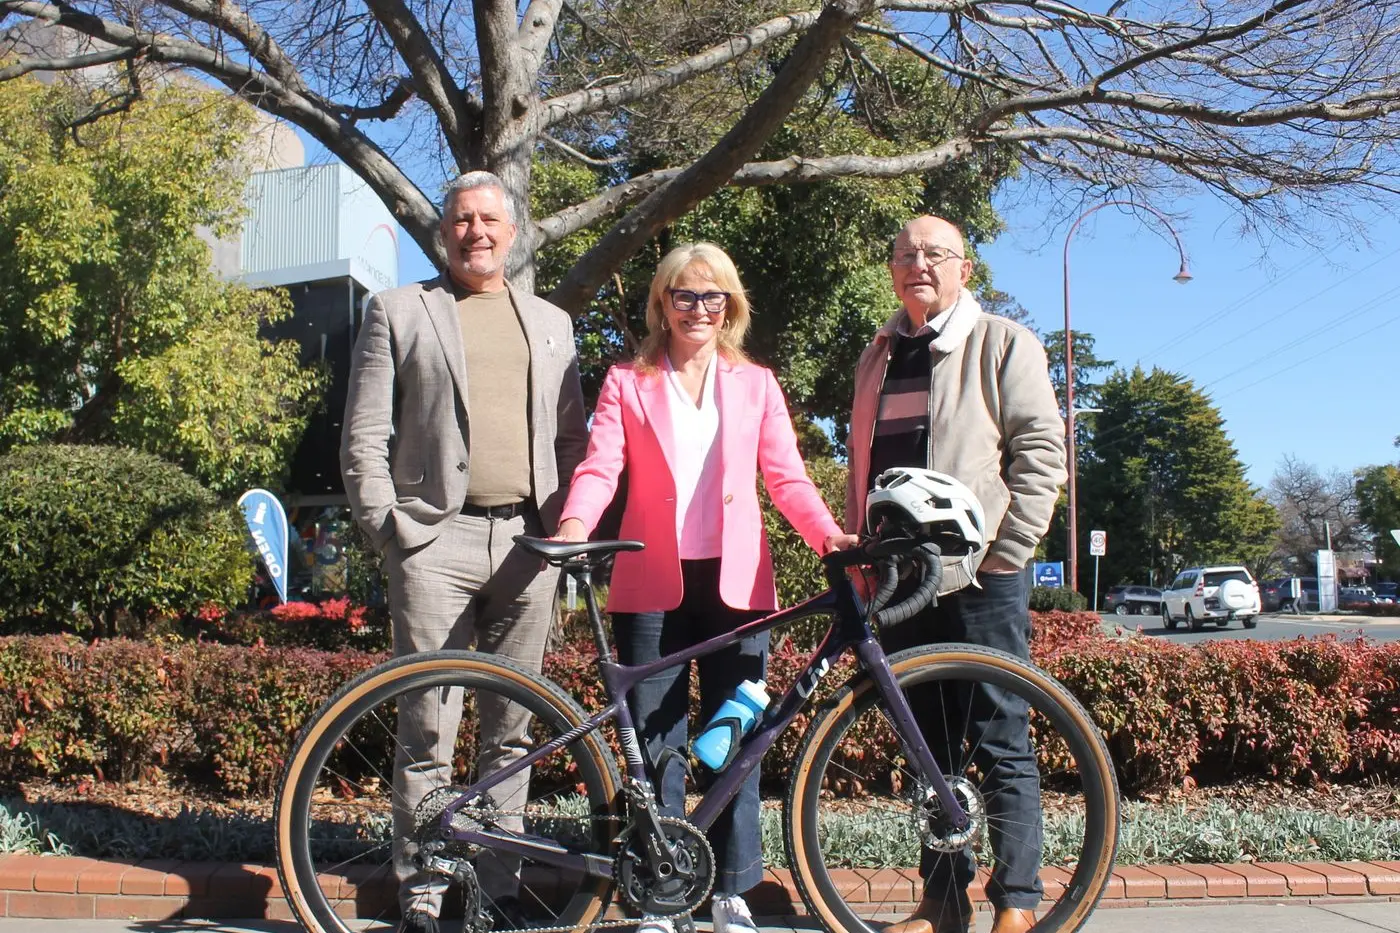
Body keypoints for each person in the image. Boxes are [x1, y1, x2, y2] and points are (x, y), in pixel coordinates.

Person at [555, 242, 858, 933]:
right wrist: (576, 522)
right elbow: (601, 466)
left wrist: (827, 535)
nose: (699, 308)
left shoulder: (755, 384)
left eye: (713, 296)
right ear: (663, 302)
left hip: (738, 581)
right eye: (685, 295)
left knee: (736, 736)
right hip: (648, 580)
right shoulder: (628, 381)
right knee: (657, 741)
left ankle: (729, 888)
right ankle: (660, 890)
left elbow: (786, 477)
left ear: (731, 306)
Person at [340, 171, 589, 933]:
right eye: (461, 219)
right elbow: (363, 436)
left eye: (489, 219)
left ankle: (499, 887)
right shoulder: (398, 310)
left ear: (512, 232)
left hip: (528, 543)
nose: (476, 231)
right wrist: (391, 530)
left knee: (512, 725)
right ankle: (421, 889)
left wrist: (570, 527)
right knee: (426, 723)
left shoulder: (552, 322)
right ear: (443, 233)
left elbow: (573, 438)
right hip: (432, 542)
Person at [844, 216, 1067, 933]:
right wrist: (862, 549)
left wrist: (1011, 548)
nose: (919, 265)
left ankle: (1017, 901)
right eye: (906, 254)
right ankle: (942, 900)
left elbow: (1040, 451)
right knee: (927, 745)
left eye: (935, 254)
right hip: (901, 576)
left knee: (1000, 732)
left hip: (981, 572)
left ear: (963, 268)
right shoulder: (878, 354)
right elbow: (864, 466)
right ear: (891, 269)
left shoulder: (1002, 342)